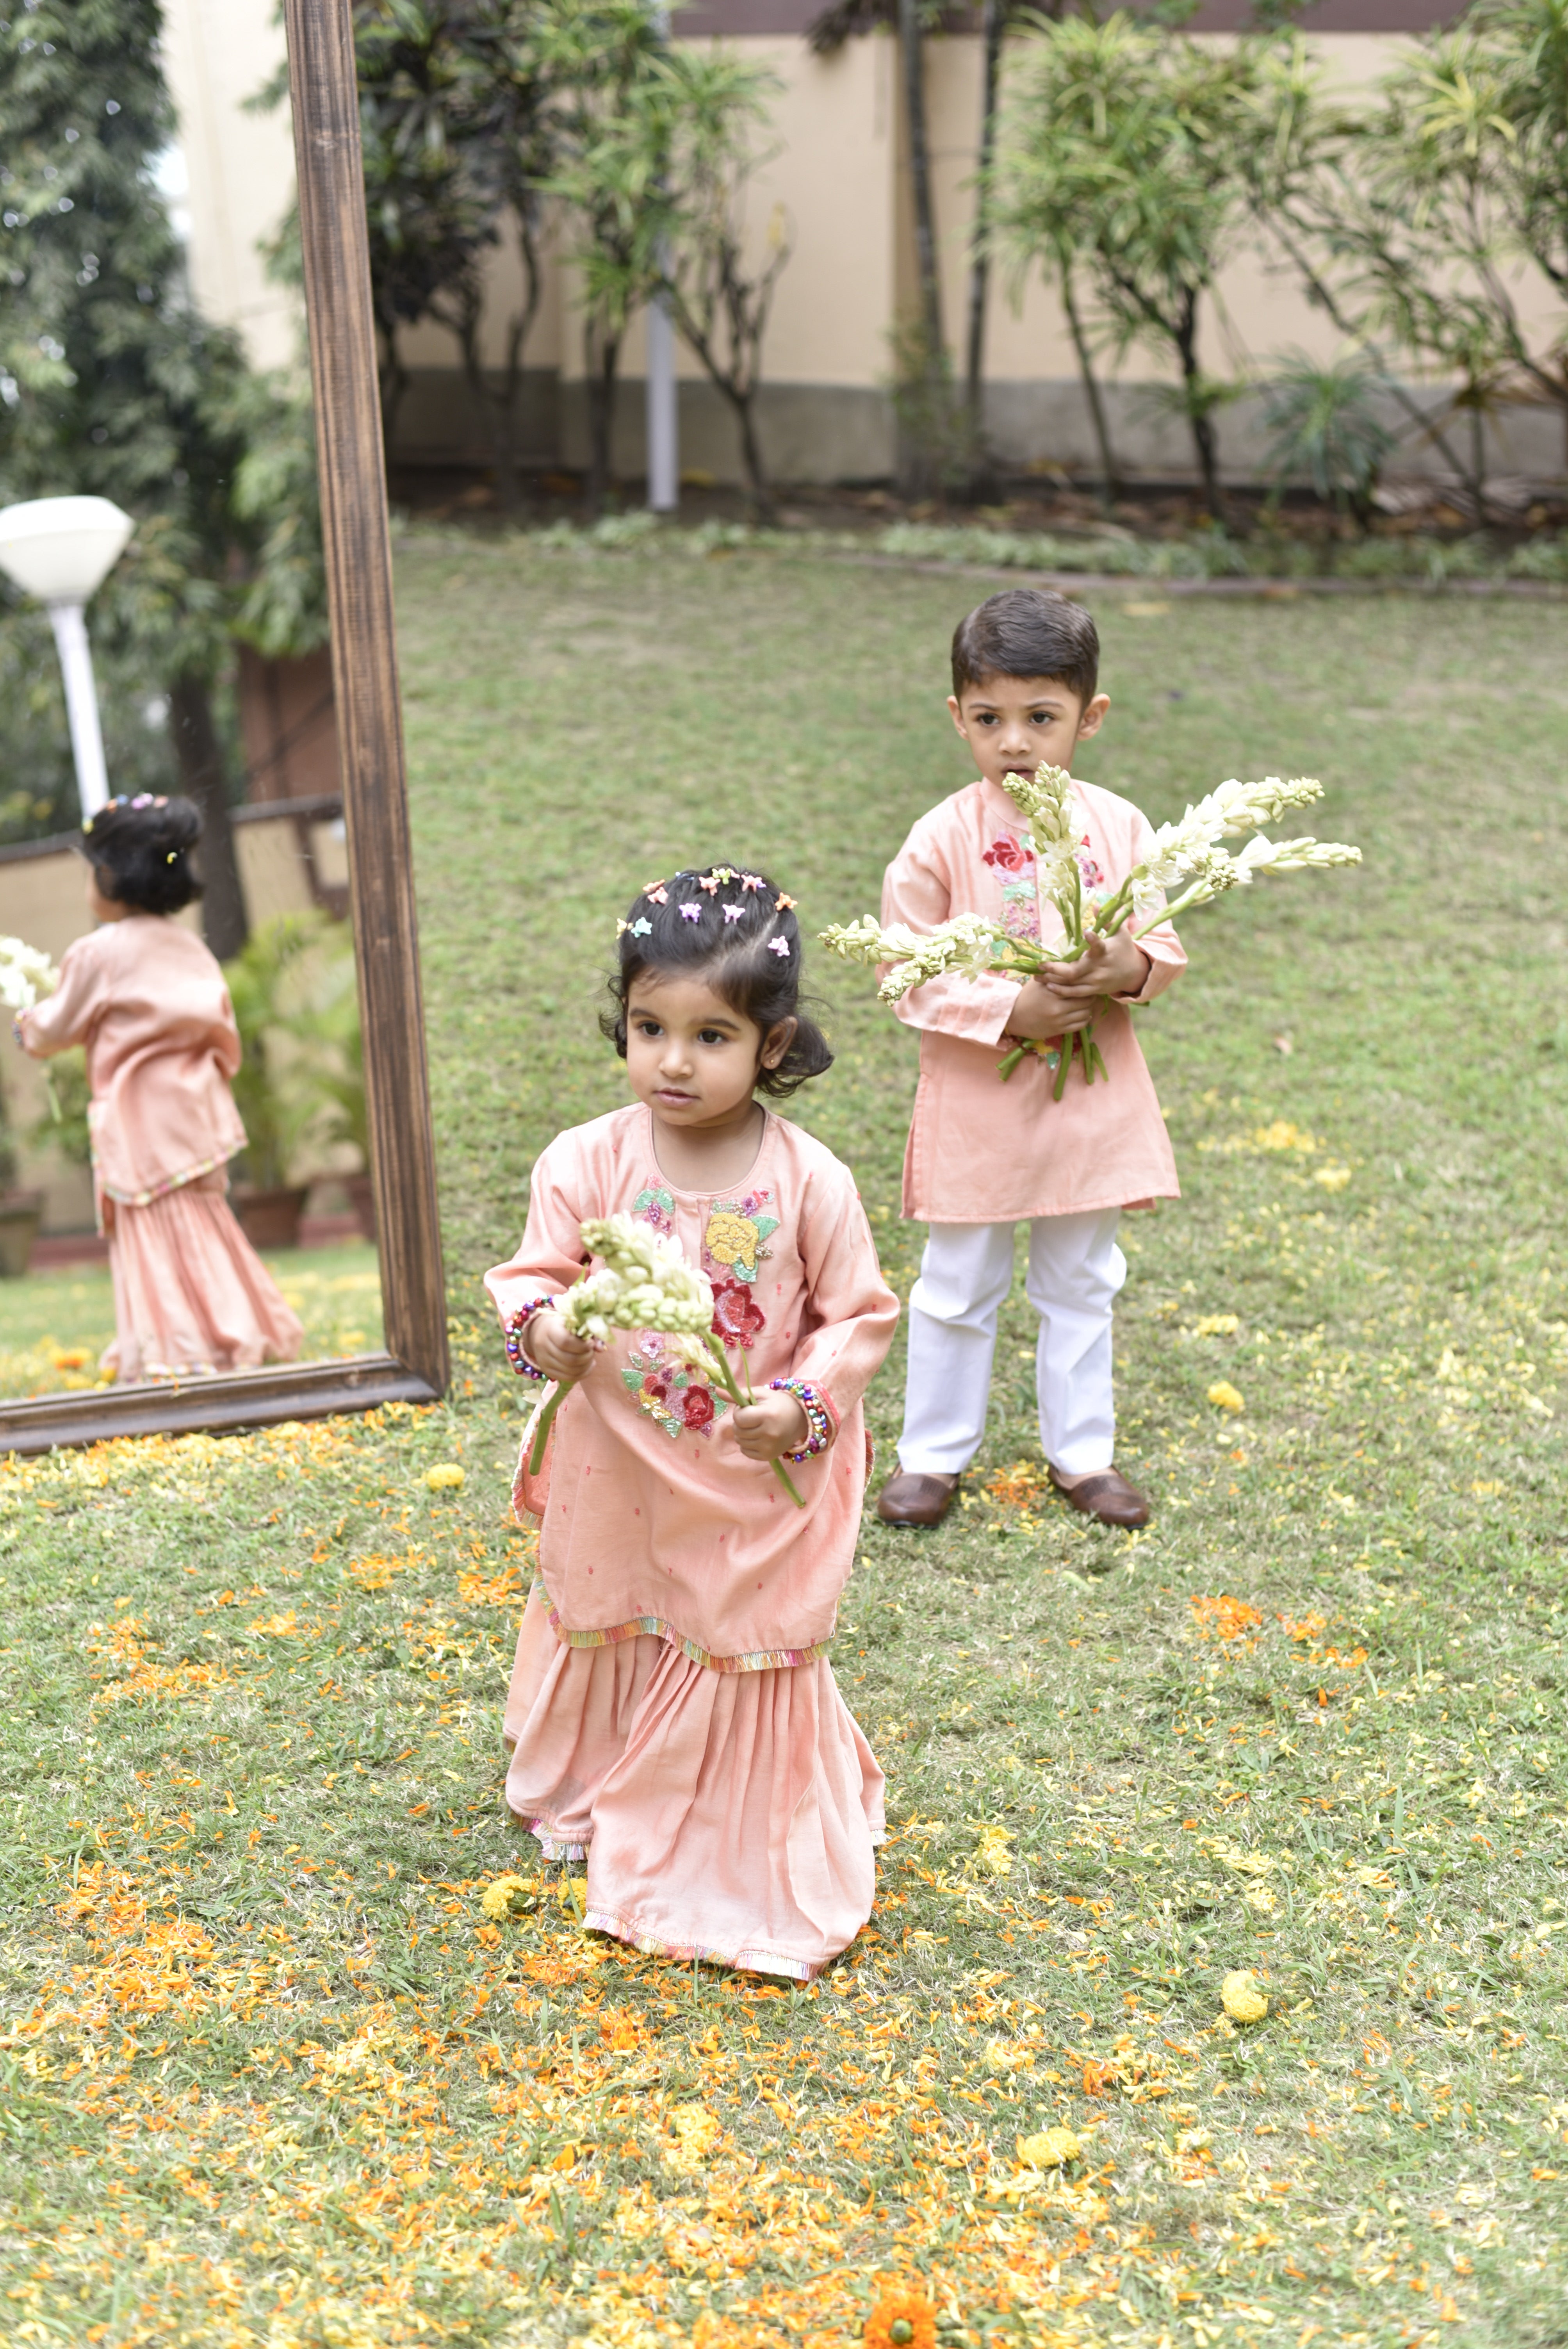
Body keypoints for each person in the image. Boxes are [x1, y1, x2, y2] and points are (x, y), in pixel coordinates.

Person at [485, 865, 898, 1982]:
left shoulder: (811, 1182)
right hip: (622, 1456)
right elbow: (533, 1275)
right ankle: (595, 1781)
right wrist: (549, 1333)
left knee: (733, 1626)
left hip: (749, 1468)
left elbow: (856, 1315)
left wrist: (803, 1404)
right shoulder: (589, 1160)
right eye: (648, 1027)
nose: (673, 1060)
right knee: (621, 1601)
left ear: (774, 1043)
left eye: (710, 1035)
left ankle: (723, 1828)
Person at [874, 588, 1185, 1534]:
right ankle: (930, 1458)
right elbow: (902, 970)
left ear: (1087, 719)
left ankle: (1083, 1455)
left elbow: (1160, 949)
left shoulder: (1120, 828)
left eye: (1040, 718)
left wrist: (1118, 964)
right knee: (958, 1281)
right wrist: (1013, 1006)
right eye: (989, 719)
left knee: (1082, 1278)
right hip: (980, 1100)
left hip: (1091, 1094)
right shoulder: (941, 838)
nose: (1014, 742)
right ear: (957, 717)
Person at [17, 793, 304, 1383]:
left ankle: (176, 1349)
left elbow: (58, 1026)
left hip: (140, 1118)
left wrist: (29, 1028)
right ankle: (236, 1330)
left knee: (153, 1232)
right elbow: (224, 1034)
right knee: (203, 1224)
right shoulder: (191, 949)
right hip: (197, 1112)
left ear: (107, 875)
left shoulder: (99, 953)